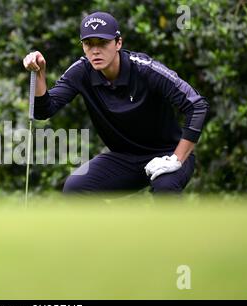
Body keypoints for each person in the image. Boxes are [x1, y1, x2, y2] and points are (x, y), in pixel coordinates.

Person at [22, 12, 209, 194]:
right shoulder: (81, 72)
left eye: (103, 43)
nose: (95, 50)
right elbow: (44, 110)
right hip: (124, 159)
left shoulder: (146, 69)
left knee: (165, 188)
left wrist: (177, 158)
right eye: (88, 44)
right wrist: (40, 74)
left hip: (168, 153)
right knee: (75, 187)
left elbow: (196, 105)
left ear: (118, 43)